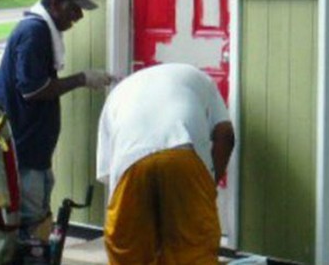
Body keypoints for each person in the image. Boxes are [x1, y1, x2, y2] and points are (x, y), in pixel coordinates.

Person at [0, 0, 112, 264]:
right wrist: (82, 78)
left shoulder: (42, 31)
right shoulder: (34, 32)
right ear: (56, 4)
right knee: (30, 224)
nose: (79, 16)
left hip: (35, 147)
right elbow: (33, 90)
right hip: (25, 146)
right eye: (74, 9)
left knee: (38, 217)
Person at [96, 62, 235, 265]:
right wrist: (208, 185)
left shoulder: (118, 93)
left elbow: (110, 174)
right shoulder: (199, 78)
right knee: (192, 251)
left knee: (128, 253)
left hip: (130, 163)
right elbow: (226, 135)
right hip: (182, 155)